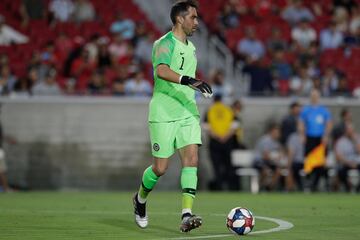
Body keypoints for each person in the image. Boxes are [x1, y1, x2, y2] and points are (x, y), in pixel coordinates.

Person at [132, 0, 212, 233]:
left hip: (187, 111)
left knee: (192, 161)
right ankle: (140, 199)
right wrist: (190, 80)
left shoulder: (191, 47)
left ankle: (186, 214)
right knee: (160, 168)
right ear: (180, 19)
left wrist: (195, 85)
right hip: (164, 113)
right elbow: (161, 70)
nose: (197, 22)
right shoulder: (164, 43)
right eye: (193, 17)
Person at [298, 89, 332, 191]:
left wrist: (326, 135)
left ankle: (319, 183)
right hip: (310, 138)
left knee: (321, 162)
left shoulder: (323, 110)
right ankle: (309, 183)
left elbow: (329, 124)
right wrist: (302, 135)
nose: (314, 98)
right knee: (309, 161)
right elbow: (301, 124)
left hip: (320, 139)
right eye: (312, 96)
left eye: (316, 96)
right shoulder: (306, 110)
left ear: (318, 97)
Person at [203, 95, 239, 191]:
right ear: (222, 100)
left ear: (214, 100)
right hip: (228, 142)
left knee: (216, 166)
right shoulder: (228, 110)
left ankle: (219, 187)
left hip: (215, 142)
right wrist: (225, 137)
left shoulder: (209, 110)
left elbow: (207, 128)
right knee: (228, 165)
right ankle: (231, 187)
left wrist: (217, 137)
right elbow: (234, 126)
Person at [253, 123, 283, 191]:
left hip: (268, 162)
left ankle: (269, 188)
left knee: (278, 171)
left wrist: (279, 156)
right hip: (258, 161)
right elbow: (265, 156)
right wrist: (276, 157)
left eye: (278, 132)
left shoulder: (276, 142)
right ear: (271, 132)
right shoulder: (265, 140)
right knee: (265, 171)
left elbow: (281, 153)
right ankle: (259, 187)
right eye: (276, 132)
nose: (277, 134)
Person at [335, 123, 360, 192]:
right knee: (340, 172)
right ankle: (348, 187)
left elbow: (358, 151)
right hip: (346, 163)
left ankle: (358, 188)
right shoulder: (341, 141)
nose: (351, 132)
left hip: (357, 163)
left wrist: (354, 141)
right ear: (346, 131)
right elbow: (338, 156)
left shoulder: (357, 139)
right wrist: (349, 163)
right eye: (349, 130)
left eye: (352, 130)